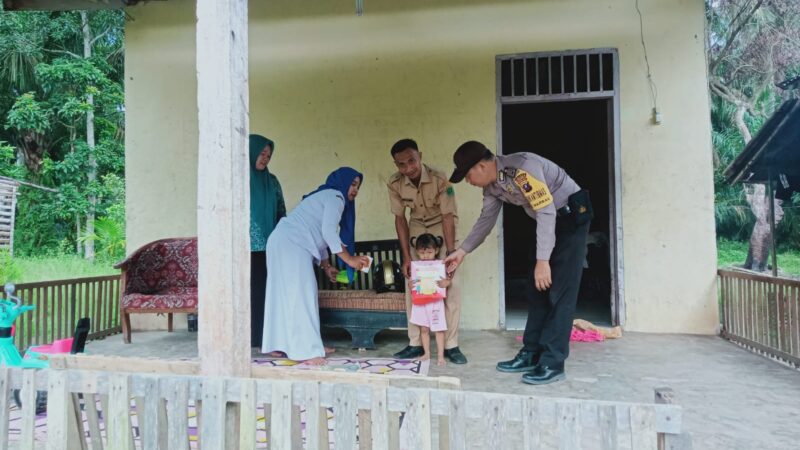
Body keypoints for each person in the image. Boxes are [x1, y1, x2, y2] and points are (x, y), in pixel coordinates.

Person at [444, 141, 592, 385]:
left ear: (482, 166)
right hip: (547, 223)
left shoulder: (523, 168)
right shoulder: (491, 186)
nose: (468, 182)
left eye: (468, 175)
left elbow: (546, 211)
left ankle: (553, 363)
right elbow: (486, 220)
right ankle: (531, 352)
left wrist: (542, 261)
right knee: (536, 289)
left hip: (571, 217)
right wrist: (461, 252)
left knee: (559, 292)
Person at [261, 167, 371, 365]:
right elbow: (328, 233)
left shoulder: (324, 196)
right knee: (303, 293)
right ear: (343, 182)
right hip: (292, 244)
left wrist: (327, 265)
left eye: (358, 186)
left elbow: (319, 235)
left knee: (282, 294)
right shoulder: (336, 197)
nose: (355, 190)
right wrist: (350, 260)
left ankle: (284, 344)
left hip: (281, 241)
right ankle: (308, 350)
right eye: (353, 184)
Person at [387, 138, 467, 364]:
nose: (408, 168)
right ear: (396, 166)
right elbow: (400, 219)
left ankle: (451, 345)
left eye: (412, 161)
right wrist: (406, 258)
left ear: (420, 156)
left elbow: (448, 215)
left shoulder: (442, 178)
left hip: (442, 224)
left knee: (450, 284)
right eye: (401, 164)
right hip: (417, 226)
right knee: (413, 284)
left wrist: (450, 253)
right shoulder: (395, 183)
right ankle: (415, 343)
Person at [249, 134, 286, 348]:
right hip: (244, 249)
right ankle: (250, 337)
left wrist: (283, 239)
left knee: (267, 292)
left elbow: (281, 212)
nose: (265, 158)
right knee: (249, 293)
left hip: (270, 246)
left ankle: (266, 338)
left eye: (269, 155)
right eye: (262, 153)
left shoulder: (272, 181)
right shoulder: (238, 180)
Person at [408, 233, 451, 367]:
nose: (426, 256)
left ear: (436, 250)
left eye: (429, 252)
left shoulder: (440, 265)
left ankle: (440, 356)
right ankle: (426, 353)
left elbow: (447, 281)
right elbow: (412, 283)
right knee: (424, 329)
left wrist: (446, 283)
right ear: (417, 252)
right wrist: (411, 285)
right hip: (421, 303)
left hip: (435, 302)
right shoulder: (416, 267)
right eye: (422, 253)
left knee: (439, 329)